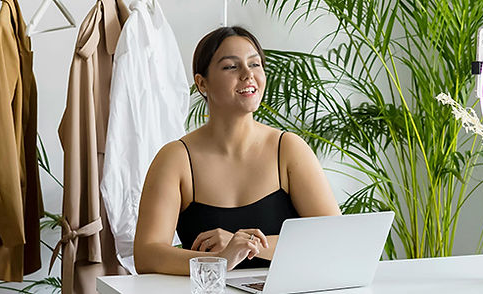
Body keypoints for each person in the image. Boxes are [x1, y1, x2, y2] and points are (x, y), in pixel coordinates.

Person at [133, 26, 341, 275]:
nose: (248, 75)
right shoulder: (175, 159)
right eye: (231, 67)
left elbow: (334, 238)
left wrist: (247, 245)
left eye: (255, 64)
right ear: (202, 83)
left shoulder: (289, 149)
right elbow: (146, 255)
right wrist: (220, 260)